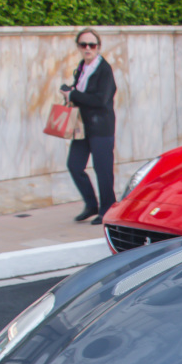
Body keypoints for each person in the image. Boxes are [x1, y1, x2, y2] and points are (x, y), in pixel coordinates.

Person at [62, 27, 117, 224]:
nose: (88, 48)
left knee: (103, 169)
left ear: (98, 47)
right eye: (83, 44)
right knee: (74, 165)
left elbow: (101, 100)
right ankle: (91, 204)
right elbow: (81, 93)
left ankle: (107, 209)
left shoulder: (104, 69)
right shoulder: (82, 67)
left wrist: (73, 95)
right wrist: (70, 92)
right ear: (78, 47)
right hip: (83, 127)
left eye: (91, 45)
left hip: (101, 127)